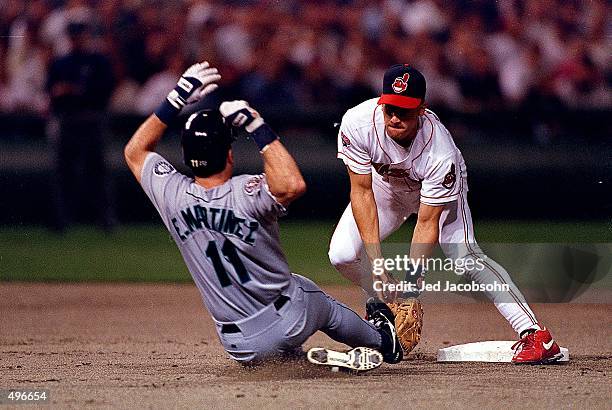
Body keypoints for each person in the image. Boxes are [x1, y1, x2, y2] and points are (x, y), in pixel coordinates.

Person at [123, 61, 402, 370]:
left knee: (277, 310)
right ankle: (382, 341)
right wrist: (257, 127)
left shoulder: (170, 193)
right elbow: (292, 185)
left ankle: (286, 360)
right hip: (290, 318)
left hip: (238, 345)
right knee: (314, 296)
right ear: (229, 154)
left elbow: (135, 151)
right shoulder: (246, 192)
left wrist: (174, 98)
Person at [328, 64, 563, 364]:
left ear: (422, 110)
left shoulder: (440, 153)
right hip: (385, 189)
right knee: (342, 255)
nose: (396, 117)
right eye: (390, 109)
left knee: (466, 258)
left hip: (436, 194)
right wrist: (377, 265)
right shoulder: (358, 123)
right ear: (381, 102)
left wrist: (413, 284)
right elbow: (361, 192)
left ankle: (534, 335)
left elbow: (427, 222)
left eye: (405, 110)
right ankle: (388, 307)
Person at [46, 21, 115, 231]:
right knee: (65, 173)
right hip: (69, 120)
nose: (78, 40)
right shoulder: (61, 62)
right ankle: (62, 219)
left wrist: (73, 90)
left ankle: (105, 219)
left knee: (97, 172)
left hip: (91, 119)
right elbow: (51, 91)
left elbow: (104, 91)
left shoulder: (98, 61)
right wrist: (68, 92)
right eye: (74, 36)